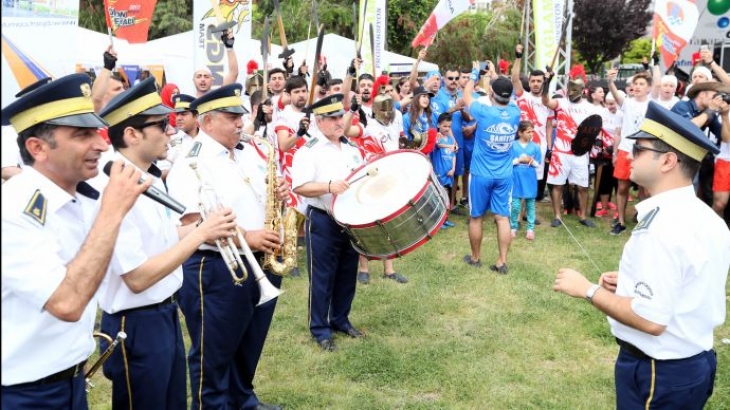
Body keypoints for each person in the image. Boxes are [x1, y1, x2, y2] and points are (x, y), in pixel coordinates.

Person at [553, 101, 730, 409]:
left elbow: (650, 319)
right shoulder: (706, 218)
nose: (629, 154)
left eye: (639, 150)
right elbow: (692, 280)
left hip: (658, 372)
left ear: (668, 161)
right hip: (690, 363)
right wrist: (632, 282)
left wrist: (587, 290)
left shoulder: (664, 226)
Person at [1, 73, 148, 409]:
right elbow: (66, 304)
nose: (100, 144)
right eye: (82, 134)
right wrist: (112, 211)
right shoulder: (13, 208)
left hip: (71, 381)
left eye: (96, 131)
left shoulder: (82, 197)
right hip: (23, 394)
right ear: (37, 147)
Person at [94, 77, 237, 410]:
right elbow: (137, 277)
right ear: (131, 135)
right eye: (160, 124)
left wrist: (206, 226)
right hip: (136, 322)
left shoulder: (145, 176)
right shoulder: (115, 188)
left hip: (163, 313)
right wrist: (201, 235)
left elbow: (163, 237)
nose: (171, 130)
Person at [166, 84, 286, 410]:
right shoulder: (191, 163)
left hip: (261, 259)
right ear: (207, 122)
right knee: (213, 353)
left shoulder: (247, 154)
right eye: (232, 117)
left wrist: (280, 196)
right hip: (217, 267)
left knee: (250, 340)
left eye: (240, 116)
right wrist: (247, 237)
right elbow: (191, 224)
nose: (240, 123)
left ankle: (242, 398)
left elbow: (261, 198)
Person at [291, 94, 366, 352]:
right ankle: (319, 329)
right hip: (322, 219)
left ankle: (340, 319)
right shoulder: (308, 150)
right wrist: (329, 186)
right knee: (322, 277)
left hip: (351, 219)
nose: (339, 122)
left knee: (347, 273)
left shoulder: (352, 148)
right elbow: (300, 186)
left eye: (340, 116)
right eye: (333, 118)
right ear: (319, 122)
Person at [462, 65, 521, 273]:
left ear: (490, 93)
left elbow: (467, 94)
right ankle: (501, 262)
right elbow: (507, 94)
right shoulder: (515, 112)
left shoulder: (483, 111)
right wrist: (497, 77)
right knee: (502, 217)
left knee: (476, 216)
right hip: (504, 174)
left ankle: (476, 258)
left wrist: (474, 73)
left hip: (480, 173)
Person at [348, 93, 409, 285]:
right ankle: (364, 268)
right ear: (374, 110)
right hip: (369, 177)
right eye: (383, 109)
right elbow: (346, 130)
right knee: (364, 223)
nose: (387, 113)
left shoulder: (395, 123)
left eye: (390, 109)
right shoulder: (367, 127)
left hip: (389, 176)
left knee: (387, 222)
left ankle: (389, 269)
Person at [542, 72, 600, 228]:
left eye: (575, 90)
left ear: (583, 90)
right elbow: (545, 100)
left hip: (580, 152)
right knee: (558, 185)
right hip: (561, 152)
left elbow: (594, 128)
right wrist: (547, 82)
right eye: (569, 89)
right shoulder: (561, 103)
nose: (571, 93)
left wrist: (594, 145)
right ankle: (557, 216)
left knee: (582, 187)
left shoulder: (589, 107)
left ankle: (582, 216)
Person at [608, 70, 653, 235]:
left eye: (642, 84)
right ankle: (620, 221)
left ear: (648, 88)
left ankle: (643, 221)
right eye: (636, 84)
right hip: (626, 149)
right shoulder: (627, 102)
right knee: (622, 188)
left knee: (645, 190)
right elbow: (615, 94)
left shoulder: (652, 104)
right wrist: (610, 82)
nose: (638, 86)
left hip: (644, 151)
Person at [509, 121, 542, 240]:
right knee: (516, 205)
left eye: (532, 131)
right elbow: (507, 162)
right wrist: (519, 160)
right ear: (520, 133)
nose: (531, 134)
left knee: (530, 204)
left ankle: (530, 229)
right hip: (516, 179)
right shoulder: (512, 146)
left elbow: (538, 164)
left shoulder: (535, 147)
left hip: (529, 180)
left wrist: (531, 161)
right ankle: (513, 227)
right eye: (528, 132)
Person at [433, 112, 457, 228]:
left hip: (449, 173)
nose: (447, 128)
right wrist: (449, 146)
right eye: (444, 126)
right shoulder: (437, 136)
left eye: (449, 126)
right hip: (439, 173)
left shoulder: (451, 140)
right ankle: (439, 221)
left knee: (446, 196)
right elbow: (438, 146)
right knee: (440, 196)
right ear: (438, 125)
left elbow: (454, 155)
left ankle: (445, 218)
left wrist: (453, 168)